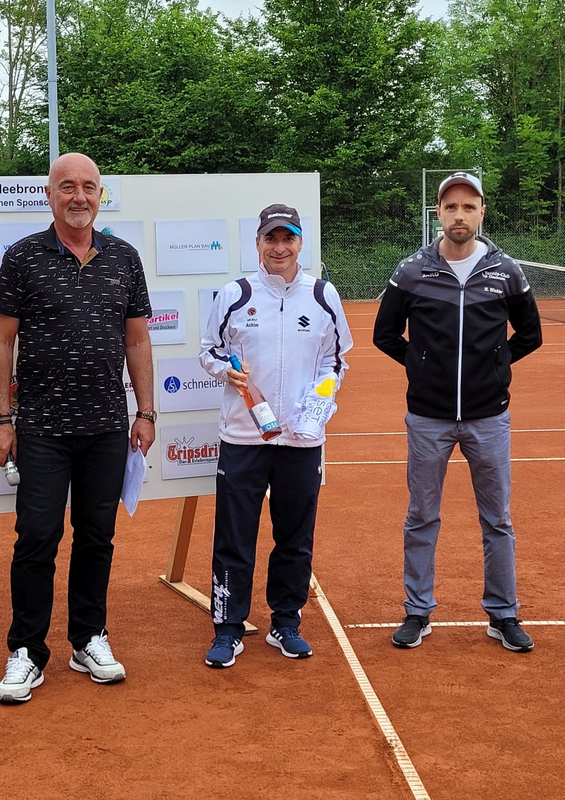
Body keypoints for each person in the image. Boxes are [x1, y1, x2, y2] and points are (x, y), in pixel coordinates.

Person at [0, 153, 156, 703]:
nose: (78, 196)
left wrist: (146, 411)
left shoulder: (125, 258)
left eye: (88, 187)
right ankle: (26, 651)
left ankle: (88, 638)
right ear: (49, 195)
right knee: (37, 538)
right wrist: (1, 420)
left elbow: (137, 339)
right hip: (41, 427)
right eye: (67, 187)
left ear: (100, 195)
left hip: (106, 426)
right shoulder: (22, 257)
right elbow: (1, 343)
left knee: (96, 537)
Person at [372, 172, 543, 653]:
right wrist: (422, 367)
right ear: (439, 213)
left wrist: (496, 365)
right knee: (422, 516)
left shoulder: (506, 271)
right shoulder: (412, 270)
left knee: (498, 520)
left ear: (482, 212)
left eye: (469, 207)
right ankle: (417, 611)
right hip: (428, 418)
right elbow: (385, 335)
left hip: (489, 417)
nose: (459, 215)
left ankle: (503, 614)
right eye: (451, 207)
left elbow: (530, 335)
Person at [198, 204, 353, 668]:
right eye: (271, 238)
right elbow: (209, 351)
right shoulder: (236, 294)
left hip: (302, 441)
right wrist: (229, 373)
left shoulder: (323, 295)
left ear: (300, 242)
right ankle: (228, 627)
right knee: (234, 537)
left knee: (295, 537)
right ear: (259, 244)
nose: (279, 247)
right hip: (244, 437)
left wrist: (317, 406)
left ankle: (286, 621)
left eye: (288, 238)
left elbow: (336, 360)